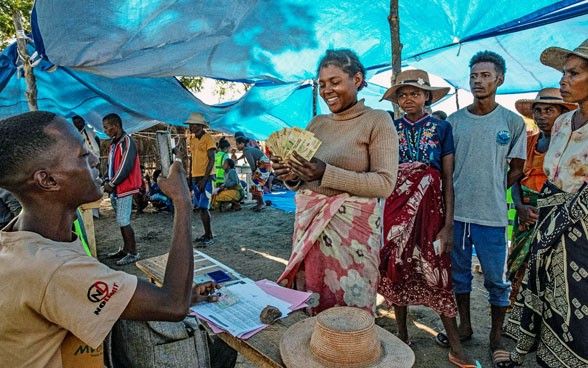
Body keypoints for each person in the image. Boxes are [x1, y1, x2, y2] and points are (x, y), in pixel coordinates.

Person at [0, 111, 228, 368]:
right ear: (48, 180)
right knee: (222, 352)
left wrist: (190, 295)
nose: (96, 159)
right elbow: (172, 305)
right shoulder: (52, 268)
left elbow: (89, 291)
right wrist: (182, 202)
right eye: (83, 156)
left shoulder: (18, 239)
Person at [273, 49, 398, 315]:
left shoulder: (377, 120)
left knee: (349, 310)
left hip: (353, 240)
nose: (327, 90)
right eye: (322, 84)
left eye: (335, 81)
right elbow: (305, 178)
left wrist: (324, 172)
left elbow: (385, 183)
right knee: (312, 301)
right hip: (311, 230)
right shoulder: (317, 123)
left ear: (357, 79)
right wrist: (291, 175)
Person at [499, 39, 588, 368]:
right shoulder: (565, 123)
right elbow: (550, 177)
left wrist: (562, 215)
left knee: (578, 302)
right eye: (564, 73)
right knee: (546, 292)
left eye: (573, 73)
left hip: (581, 231)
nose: (564, 80)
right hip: (547, 221)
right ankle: (536, 354)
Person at [378, 69, 475, 367]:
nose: (408, 99)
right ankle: (402, 333)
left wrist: (448, 225)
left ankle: (455, 346)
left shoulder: (442, 129)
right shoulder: (389, 129)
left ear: (427, 96)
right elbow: (384, 172)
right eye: (402, 94)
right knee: (396, 267)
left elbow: (447, 178)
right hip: (395, 210)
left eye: (414, 93)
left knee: (439, 270)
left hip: (432, 212)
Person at [447, 50, 526, 366]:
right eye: (474, 75)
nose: (478, 81)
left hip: (492, 216)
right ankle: (465, 327)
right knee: (459, 275)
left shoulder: (511, 122)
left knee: (496, 278)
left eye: (485, 75)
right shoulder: (453, 122)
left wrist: (495, 187)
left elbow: (518, 167)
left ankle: (495, 335)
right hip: (457, 214)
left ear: (499, 79)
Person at [504, 88, 575, 308]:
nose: (542, 116)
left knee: (544, 265)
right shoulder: (528, 142)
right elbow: (516, 177)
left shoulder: (569, 145)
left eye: (549, 110)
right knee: (517, 262)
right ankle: (514, 312)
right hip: (526, 213)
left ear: (562, 114)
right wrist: (519, 207)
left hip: (554, 215)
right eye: (538, 111)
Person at [103, 113, 143, 265]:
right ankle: (126, 249)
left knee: (123, 220)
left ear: (116, 126)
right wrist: (107, 179)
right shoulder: (114, 143)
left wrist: (112, 183)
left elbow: (125, 166)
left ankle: (133, 252)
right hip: (117, 188)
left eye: (107, 127)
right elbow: (111, 165)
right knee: (121, 220)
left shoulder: (127, 141)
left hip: (125, 187)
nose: (105, 131)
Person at [186, 112, 216, 246]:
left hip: (206, 177)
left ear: (200, 126)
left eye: (194, 125)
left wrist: (204, 179)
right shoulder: (192, 140)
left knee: (204, 207)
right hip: (195, 177)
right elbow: (192, 160)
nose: (191, 127)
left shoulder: (208, 138)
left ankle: (209, 235)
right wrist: (190, 177)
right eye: (191, 125)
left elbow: (212, 159)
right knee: (200, 207)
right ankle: (206, 234)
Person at [235, 136, 271, 211]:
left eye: (237, 144)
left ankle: (261, 203)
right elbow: (245, 155)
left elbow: (252, 164)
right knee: (253, 183)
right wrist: (238, 159)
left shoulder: (246, 151)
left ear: (242, 144)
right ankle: (259, 203)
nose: (236, 146)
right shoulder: (247, 150)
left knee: (255, 182)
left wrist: (254, 172)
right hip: (264, 164)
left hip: (264, 165)